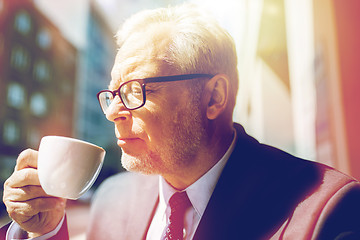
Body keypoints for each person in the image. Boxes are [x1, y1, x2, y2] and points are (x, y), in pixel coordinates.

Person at [2, 3, 360, 240]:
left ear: (213, 97)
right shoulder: (112, 200)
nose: (112, 112)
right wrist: (47, 231)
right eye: (112, 95)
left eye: (136, 90)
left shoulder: (328, 211)